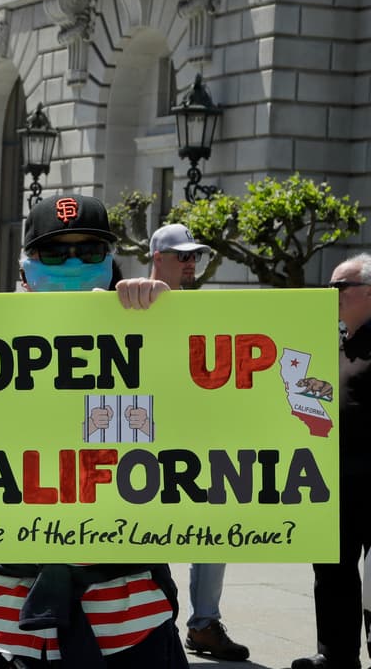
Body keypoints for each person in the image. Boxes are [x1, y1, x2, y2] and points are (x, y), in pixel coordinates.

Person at [0, 194, 186, 669]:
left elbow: (206, 435)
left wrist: (172, 321)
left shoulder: (152, 342)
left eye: (90, 251)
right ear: (26, 268)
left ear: (112, 262)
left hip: (125, 619)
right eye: (55, 253)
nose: (74, 262)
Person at [147, 223, 249, 662]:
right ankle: (154, 622)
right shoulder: (124, 299)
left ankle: (204, 623)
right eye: (182, 255)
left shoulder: (200, 308)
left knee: (216, 524)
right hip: (140, 434)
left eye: (195, 256)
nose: (191, 263)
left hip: (193, 435)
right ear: (158, 258)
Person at [289, 254, 371, 669]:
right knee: (333, 570)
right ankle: (336, 655)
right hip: (334, 478)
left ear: (369, 292)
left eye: (339, 286)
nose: (330, 294)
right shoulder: (331, 339)